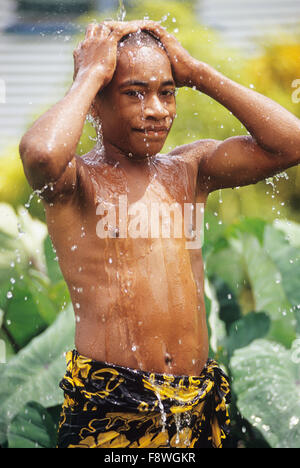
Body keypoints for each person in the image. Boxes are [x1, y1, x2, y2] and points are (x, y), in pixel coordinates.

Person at [19, 20, 300, 449]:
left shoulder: (190, 170)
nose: (156, 109)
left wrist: (198, 73)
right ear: (96, 102)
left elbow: (290, 144)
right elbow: (41, 154)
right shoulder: (78, 183)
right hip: (112, 407)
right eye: (135, 93)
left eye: (166, 92)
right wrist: (91, 73)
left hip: (196, 406)